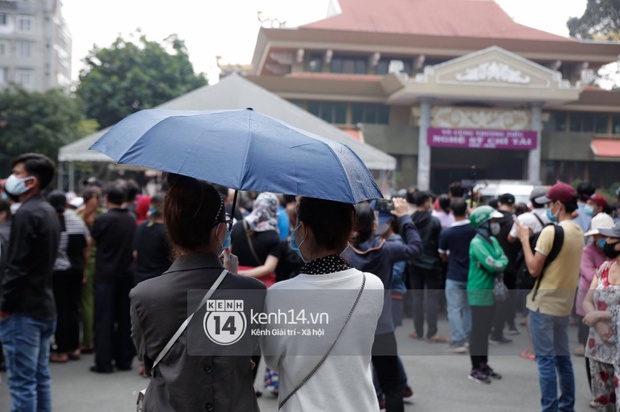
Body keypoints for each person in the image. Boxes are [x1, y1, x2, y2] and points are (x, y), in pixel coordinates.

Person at [130, 173, 266, 411]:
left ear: (170, 229)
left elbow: (150, 360)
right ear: (220, 231)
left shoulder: (144, 294)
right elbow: (248, 360)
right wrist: (231, 281)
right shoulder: (252, 291)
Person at [261, 197, 385, 412]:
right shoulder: (372, 285)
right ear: (348, 232)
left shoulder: (278, 295)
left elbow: (273, 361)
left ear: (305, 231)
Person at [345, 198, 422, 411]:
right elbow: (416, 248)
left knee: (350, 384)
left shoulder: (343, 253)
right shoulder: (388, 250)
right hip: (382, 327)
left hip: (349, 328)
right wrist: (405, 216)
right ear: (373, 225)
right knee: (392, 386)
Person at [515, 181, 585, 412]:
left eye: (550, 205)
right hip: (563, 306)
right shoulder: (578, 231)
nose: (548, 209)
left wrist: (525, 239)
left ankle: (550, 408)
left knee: (545, 361)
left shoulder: (551, 231)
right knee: (563, 360)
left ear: (558, 205)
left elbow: (534, 269)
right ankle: (566, 407)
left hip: (543, 304)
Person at [0, 153, 60, 411]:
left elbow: (16, 266)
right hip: (44, 304)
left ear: (31, 181)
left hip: (22, 310)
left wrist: (4, 304)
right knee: (39, 377)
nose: (11, 178)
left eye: (17, 173)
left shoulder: (25, 214)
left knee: (22, 383)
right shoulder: (47, 210)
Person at [90, 183, 137, 373]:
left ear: (107, 198)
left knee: (104, 319)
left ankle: (104, 361)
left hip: (105, 274)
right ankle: (124, 359)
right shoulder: (131, 218)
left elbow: (92, 242)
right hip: (126, 273)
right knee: (125, 318)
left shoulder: (102, 219)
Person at [47, 191, 90, 364]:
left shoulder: (48, 222)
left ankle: (61, 350)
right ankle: (75, 347)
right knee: (73, 307)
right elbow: (86, 248)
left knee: (59, 309)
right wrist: (85, 271)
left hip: (55, 273)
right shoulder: (77, 221)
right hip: (76, 271)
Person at [508, 186, 551, 361]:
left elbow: (511, 238)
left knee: (529, 310)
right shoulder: (552, 217)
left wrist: (524, 236)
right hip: (549, 266)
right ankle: (547, 346)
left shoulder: (524, 217)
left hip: (529, 265)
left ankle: (535, 349)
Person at [467, 205, 507, 384]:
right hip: (479, 292)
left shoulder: (492, 240)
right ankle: (475, 368)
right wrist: (496, 263)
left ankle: (484, 364)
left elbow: (503, 260)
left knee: (486, 331)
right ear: (483, 224)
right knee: (478, 332)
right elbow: (494, 264)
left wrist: (497, 263)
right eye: (492, 221)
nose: (496, 224)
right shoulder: (476, 243)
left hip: (491, 293)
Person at [583, 220, 620, 411]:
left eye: (611, 237)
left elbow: (595, 311)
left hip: (618, 348)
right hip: (598, 345)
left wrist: (598, 316)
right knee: (603, 403)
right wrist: (598, 323)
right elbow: (588, 300)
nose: (606, 241)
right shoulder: (604, 268)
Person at [406, 191, 446, 343]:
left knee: (417, 297)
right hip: (432, 264)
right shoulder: (434, 221)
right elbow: (439, 243)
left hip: (413, 262)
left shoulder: (409, 220)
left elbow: (406, 240)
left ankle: (418, 330)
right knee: (432, 298)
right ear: (425, 203)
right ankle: (432, 332)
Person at [439, 198, 475, 353]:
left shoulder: (447, 232)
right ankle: (468, 337)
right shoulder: (474, 229)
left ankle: (458, 339)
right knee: (467, 307)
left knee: (454, 308)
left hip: (454, 273)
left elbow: (442, 253)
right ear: (466, 209)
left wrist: (449, 259)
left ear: (452, 211)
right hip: (472, 273)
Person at [75, 187, 103, 354]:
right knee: (91, 301)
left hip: (82, 261)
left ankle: (86, 339)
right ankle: (91, 337)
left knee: (85, 302)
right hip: (97, 261)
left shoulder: (79, 217)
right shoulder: (101, 216)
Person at [490, 193, 521, 343]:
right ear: (513, 204)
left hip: (490, 264)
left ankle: (488, 329)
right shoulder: (515, 221)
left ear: (499, 203)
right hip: (510, 266)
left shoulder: (491, 219)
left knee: (490, 298)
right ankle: (498, 332)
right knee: (505, 300)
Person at [133, 193, 172, 285]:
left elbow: (135, 254)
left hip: (140, 280)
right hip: (161, 281)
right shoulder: (167, 232)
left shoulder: (141, 226)